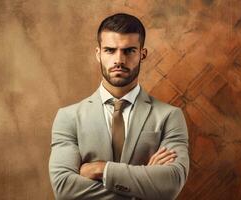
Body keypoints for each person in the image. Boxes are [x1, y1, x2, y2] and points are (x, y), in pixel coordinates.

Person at [49, 13, 189, 200]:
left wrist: (101, 169)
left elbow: (171, 184)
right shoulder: (69, 117)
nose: (119, 60)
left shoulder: (170, 116)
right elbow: (64, 188)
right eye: (110, 50)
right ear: (98, 54)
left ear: (142, 54)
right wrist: (146, 184)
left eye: (129, 50)